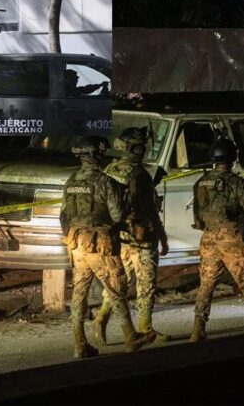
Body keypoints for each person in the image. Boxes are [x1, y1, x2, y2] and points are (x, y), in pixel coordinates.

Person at [60, 136, 155, 359]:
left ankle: (80, 344)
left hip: (76, 243)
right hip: (100, 243)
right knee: (116, 288)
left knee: (79, 292)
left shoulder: (71, 181)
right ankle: (130, 336)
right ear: (97, 155)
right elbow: (116, 215)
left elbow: (63, 215)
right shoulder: (105, 182)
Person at [94, 127, 170, 345]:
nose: (143, 150)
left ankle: (101, 318)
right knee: (145, 283)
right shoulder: (140, 174)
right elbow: (150, 209)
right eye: (141, 147)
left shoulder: (109, 169)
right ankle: (146, 328)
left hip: (119, 235)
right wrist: (162, 236)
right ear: (134, 148)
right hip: (142, 235)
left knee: (119, 282)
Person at [190, 135, 244, 342]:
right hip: (233, 239)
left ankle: (198, 329)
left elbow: (197, 218)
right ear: (233, 158)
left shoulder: (201, 182)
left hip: (209, 240)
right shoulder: (237, 182)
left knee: (206, 283)